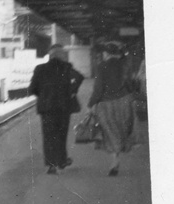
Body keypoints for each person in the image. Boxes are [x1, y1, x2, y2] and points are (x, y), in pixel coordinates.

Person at [28, 44, 84, 174]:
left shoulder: (40, 68)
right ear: (61, 56)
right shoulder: (66, 67)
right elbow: (80, 77)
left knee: (48, 136)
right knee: (61, 135)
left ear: (50, 56)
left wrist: (43, 96)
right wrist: (72, 91)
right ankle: (62, 160)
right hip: (63, 107)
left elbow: (32, 89)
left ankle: (51, 165)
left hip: (46, 108)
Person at [88, 41, 135, 176]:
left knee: (110, 130)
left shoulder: (101, 66)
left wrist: (91, 104)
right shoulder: (124, 65)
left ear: (106, 53)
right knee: (122, 128)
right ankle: (117, 155)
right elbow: (130, 84)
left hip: (107, 104)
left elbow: (98, 89)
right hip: (124, 101)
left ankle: (115, 159)